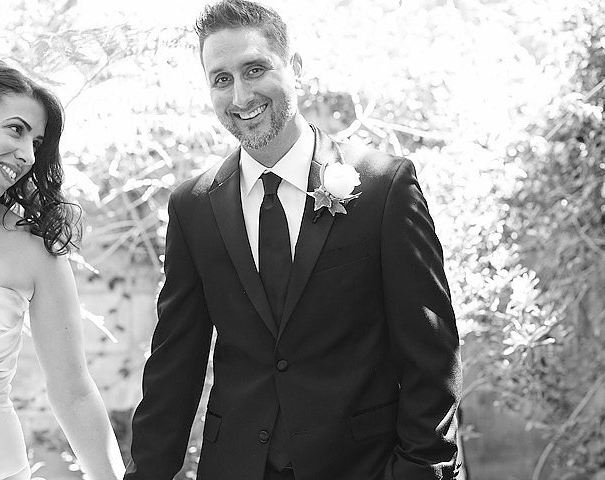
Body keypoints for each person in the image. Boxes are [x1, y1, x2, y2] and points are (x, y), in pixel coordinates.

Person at [125, 1, 462, 479]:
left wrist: (419, 469)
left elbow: (431, 351)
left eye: (254, 69)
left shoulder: (384, 187)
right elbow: (174, 364)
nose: (240, 95)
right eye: (221, 79)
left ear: (295, 68)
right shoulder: (192, 207)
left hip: (360, 467)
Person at [0, 60, 125, 480]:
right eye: (16, 130)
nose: (28, 155)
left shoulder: (33, 249)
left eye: (36, 142)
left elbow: (73, 391)